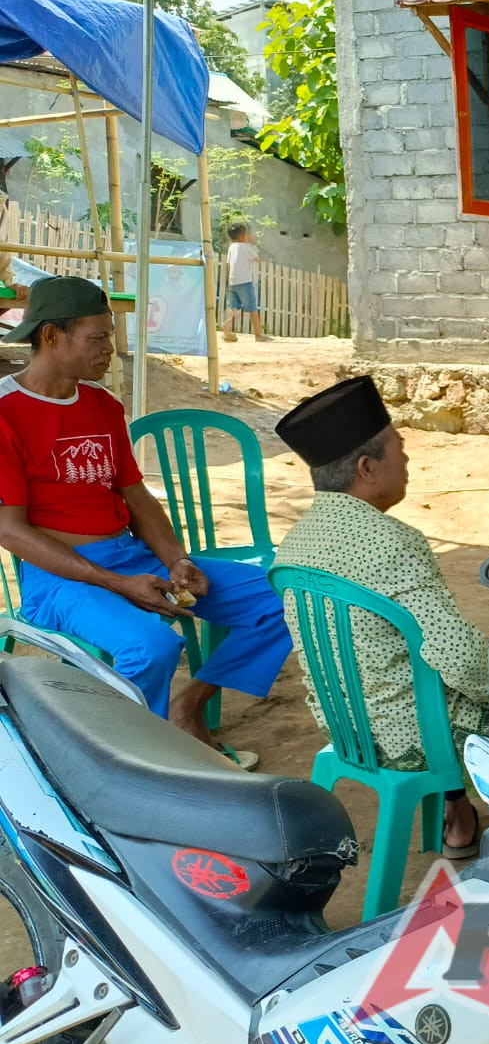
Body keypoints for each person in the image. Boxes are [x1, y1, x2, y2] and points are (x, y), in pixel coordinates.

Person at [0, 277, 284, 759]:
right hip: (58, 576)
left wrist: (175, 560)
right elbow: (9, 529)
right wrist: (114, 581)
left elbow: (138, 499)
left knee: (283, 598)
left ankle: (186, 709)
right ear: (51, 336)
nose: (111, 349)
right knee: (150, 648)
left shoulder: (103, 406)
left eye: (109, 336)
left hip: (131, 557)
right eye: (98, 337)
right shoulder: (6, 412)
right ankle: (134, 763)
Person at [275, 376, 488, 856]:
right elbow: (458, 657)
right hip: (414, 739)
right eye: (400, 449)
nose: (408, 460)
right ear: (367, 468)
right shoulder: (395, 542)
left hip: (344, 727)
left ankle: (456, 810)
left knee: (413, 670)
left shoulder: (294, 544)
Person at [222, 222, 266, 343]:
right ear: (242, 236)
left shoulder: (232, 247)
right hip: (245, 282)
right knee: (252, 309)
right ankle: (258, 335)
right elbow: (257, 259)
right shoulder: (246, 247)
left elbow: (229, 263)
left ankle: (226, 326)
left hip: (232, 281)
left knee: (234, 308)